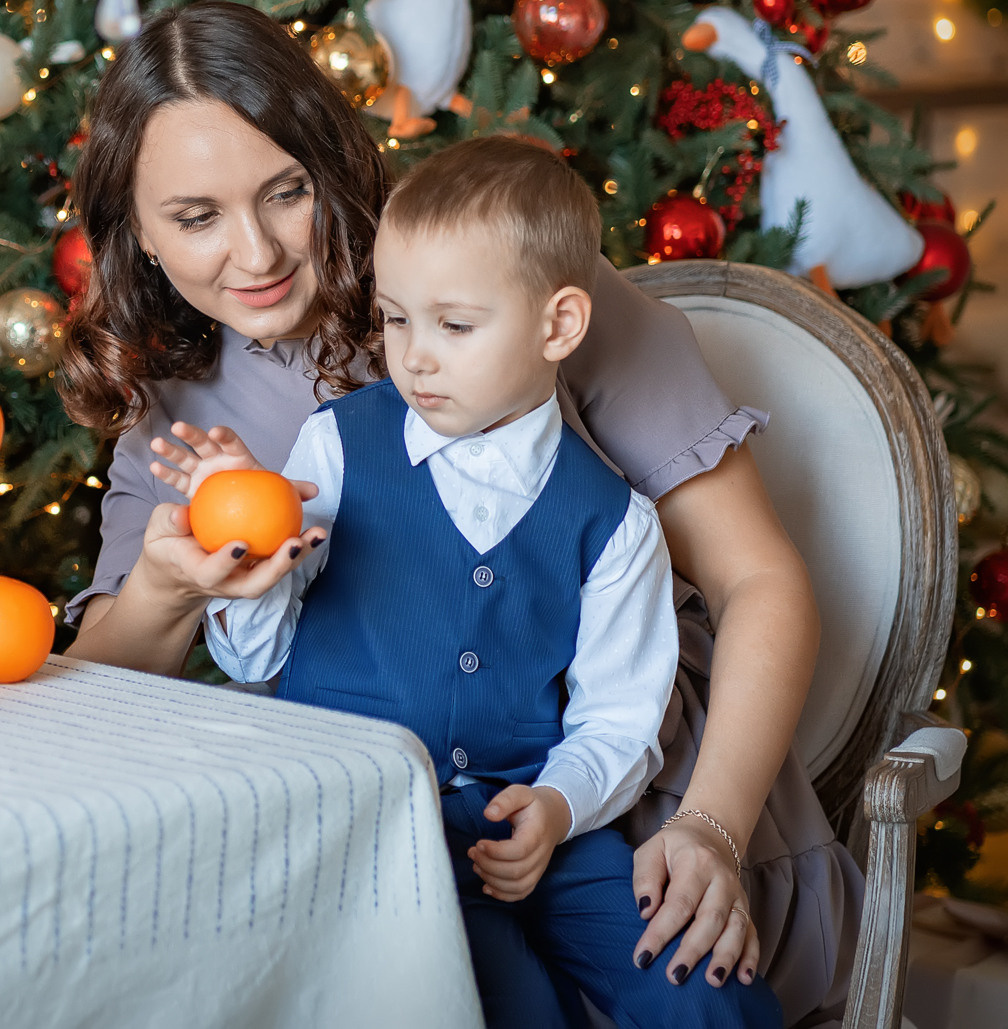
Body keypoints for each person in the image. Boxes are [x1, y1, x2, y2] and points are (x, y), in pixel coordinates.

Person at [57, 3, 856, 1021]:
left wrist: (711, 823)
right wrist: (168, 587)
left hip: (638, 797)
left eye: (286, 192)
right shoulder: (174, 404)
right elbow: (92, 693)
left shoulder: (509, 274)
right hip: (379, 839)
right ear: (137, 232)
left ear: (331, 164)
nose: (254, 253)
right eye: (196, 216)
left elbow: (759, 580)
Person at [154, 139, 777, 1026]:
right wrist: (247, 561)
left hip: (545, 822)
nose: (415, 357)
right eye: (396, 319)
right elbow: (258, 658)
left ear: (558, 326)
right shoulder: (337, 447)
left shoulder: (616, 520)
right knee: (503, 1002)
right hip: (372, 829)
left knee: (709, 990)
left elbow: (618, 717)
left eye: (454, 325)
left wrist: (557, 805)